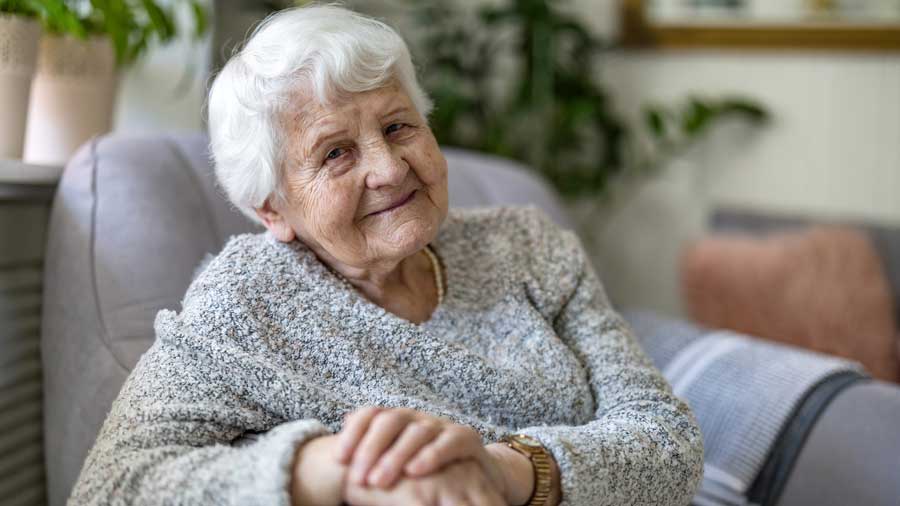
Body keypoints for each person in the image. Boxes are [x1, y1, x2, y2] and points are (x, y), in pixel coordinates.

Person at [70, 5, 703, 505]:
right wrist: (332, 467)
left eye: (399, 126)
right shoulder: (247, 302)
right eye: (335, 153)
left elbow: (668, 445)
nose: (388, 167)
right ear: (272, 210)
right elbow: (112, 488)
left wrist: (506, 471)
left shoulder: (530, 247)